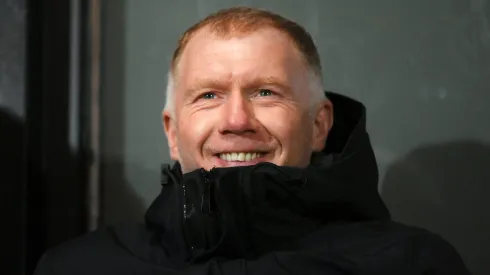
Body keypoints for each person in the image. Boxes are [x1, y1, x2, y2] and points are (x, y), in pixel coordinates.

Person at [34, 7, 470, 275]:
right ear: (171, 131)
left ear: (319, 126)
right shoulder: (77, 269)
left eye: (265, 92)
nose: (237, 119)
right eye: (209, 95)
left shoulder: (414, 265)